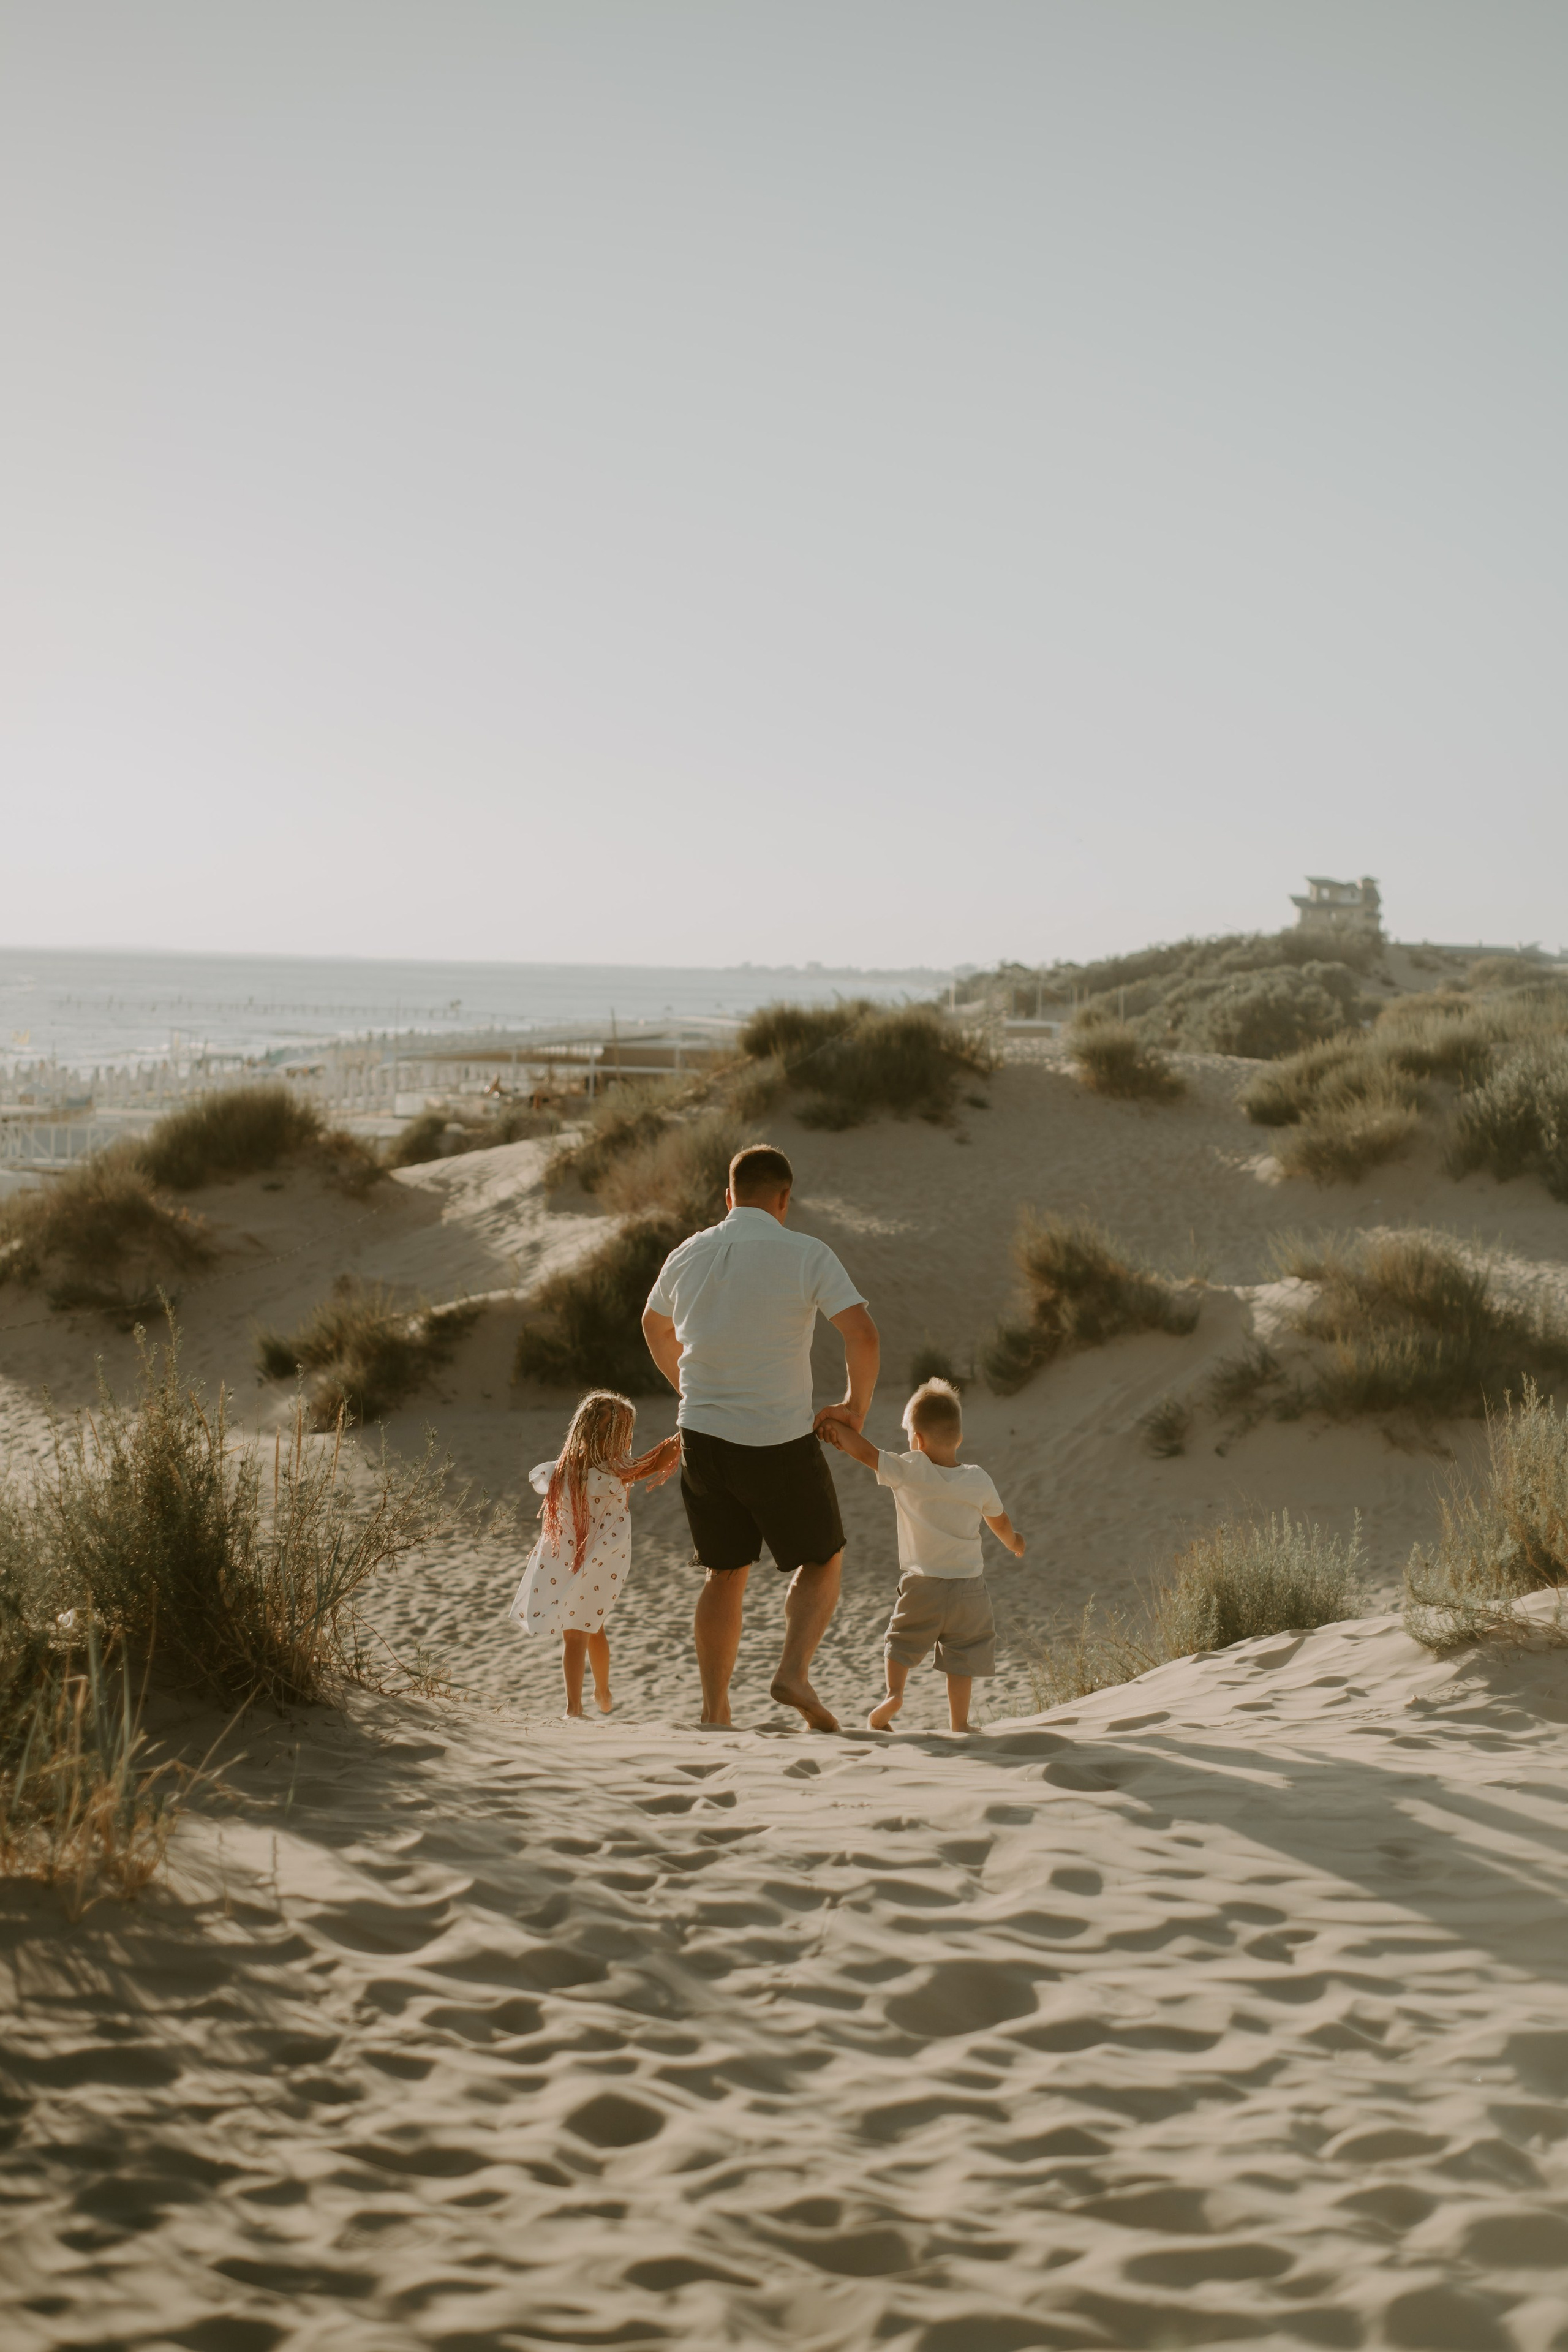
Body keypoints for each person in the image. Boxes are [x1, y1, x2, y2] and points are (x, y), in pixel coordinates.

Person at [641, 1143, 879, 1733]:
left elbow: (652, 1323)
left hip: (703, 1435)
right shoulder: (806, 1253)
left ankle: (715, 1713)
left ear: (729, 1197)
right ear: (784, 1199)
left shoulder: (687, 1254)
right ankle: (793, 1671)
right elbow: (863, 1335)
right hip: (776, 1438)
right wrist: (854, 1408)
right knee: (823, 1558)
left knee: (724, 1572)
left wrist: (686, 1385)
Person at [820, 1375, 1025, 1735]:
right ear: (959, 1438)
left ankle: (894, 1694)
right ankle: (960, 1723)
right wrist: (1014, 1543)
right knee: (962, 1656)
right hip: (970, 1590)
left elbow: (865, 1452)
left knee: (900, 1642)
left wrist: (835, 1426)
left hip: (923, 1584)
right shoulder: (978, 1478)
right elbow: (1001, 1521)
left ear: (916, 1440)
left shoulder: (909, 1469)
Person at [508, 1389, 680, 1719]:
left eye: (613, 1432)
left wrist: (684, 1432)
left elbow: (657, 1460)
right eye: (603, 1430)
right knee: (583, 1628)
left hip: (604, 1557)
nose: (607, 1437)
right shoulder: (562, 1470)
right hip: (567, 1558)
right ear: (586, 1430)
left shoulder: (618, 1469)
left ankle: (593, 1695)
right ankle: (583, 1702)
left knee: (584, 1627)